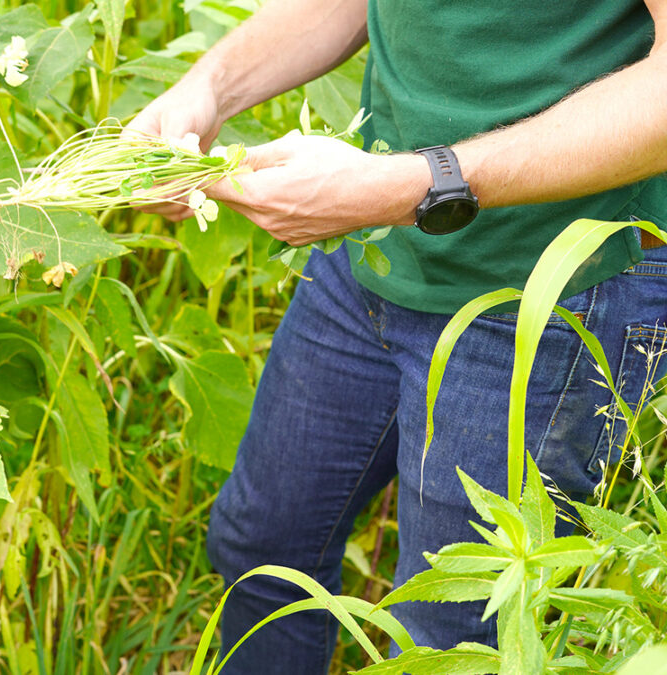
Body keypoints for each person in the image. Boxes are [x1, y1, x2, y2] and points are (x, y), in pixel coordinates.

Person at [128, 1, 667, 672]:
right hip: (373, 245)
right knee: (262, 550)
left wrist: (420, 183)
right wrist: (207, 86)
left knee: (445, 643)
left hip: (550, 287)